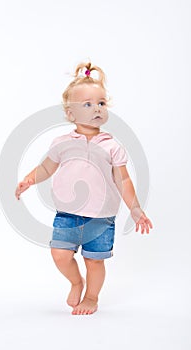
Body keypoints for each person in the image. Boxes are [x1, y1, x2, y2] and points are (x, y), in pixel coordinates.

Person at [15, 62, 153, 315]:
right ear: (70, 114)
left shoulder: (112, 146)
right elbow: (46, 168)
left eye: (101, 103)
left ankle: (91, 297)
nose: (97, 109)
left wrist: (135, 209)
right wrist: (29, 179)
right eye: (88, 104)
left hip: (101, 217)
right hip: (67, 214)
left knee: (94, 261)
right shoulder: (62, 143)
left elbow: (123, 179)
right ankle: (76, 282)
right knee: (59, 254)